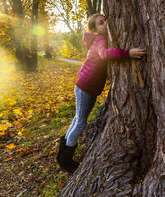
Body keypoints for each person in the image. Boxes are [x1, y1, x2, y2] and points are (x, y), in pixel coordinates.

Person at [56, 14, 147, 174]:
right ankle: (65, 159)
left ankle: (63, 151)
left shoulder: (99, 38)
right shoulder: (100, 39)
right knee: (80, 122)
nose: (105, 24)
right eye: (101, 23)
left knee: (78, 119)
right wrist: (127, 53)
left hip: (87, 87)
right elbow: (104, 54)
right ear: (94, 29)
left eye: (105, 20)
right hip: (85, 87)